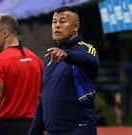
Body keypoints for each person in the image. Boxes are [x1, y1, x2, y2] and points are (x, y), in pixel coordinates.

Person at [29, 6, 100, 135]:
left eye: (62, 21)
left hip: (79, 130)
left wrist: (67, 55)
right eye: (54, 21)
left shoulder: (85, 49)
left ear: (75, 27)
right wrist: (34, 132)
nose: (57, 25)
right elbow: (44, 99)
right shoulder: (51, 57)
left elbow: (90, 60)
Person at [0, 14, 44, 135]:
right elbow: (43, 96)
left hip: (6, 128)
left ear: (5, 33)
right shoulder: (36, 60)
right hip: (33, 127)